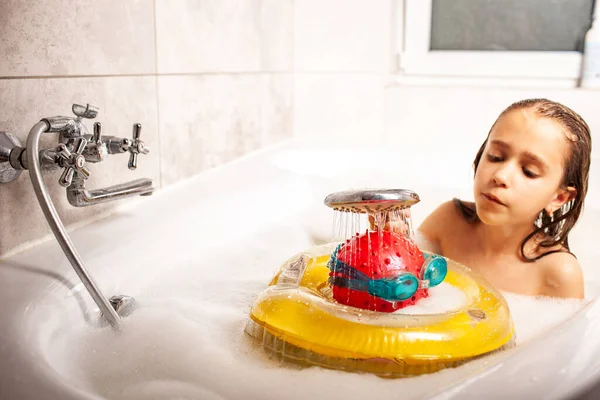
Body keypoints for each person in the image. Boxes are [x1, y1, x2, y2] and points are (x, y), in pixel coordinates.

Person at [413, 98, 592, 299]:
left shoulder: (558, 272)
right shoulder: (448, 222)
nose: (501, 176)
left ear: (559, 198)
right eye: (496, 157)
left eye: (529, 171)